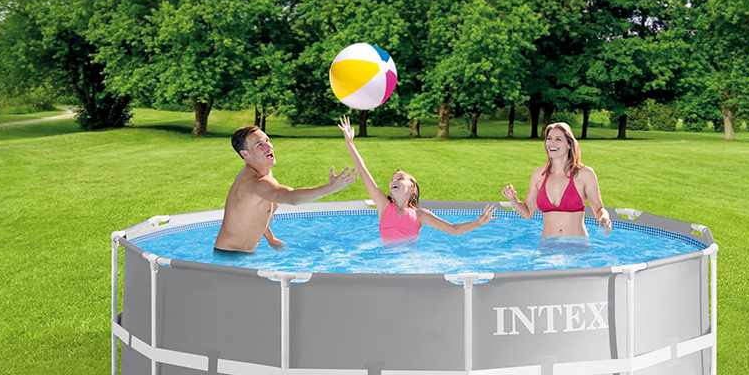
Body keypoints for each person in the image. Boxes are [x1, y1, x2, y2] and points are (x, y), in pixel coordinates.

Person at [338, 115, 497, 243]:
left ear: (412, 189)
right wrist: (349, 142)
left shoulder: (421, 215)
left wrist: (478, 222)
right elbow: (363, 170)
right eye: (393, 179)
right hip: (386, 263)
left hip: (409, 264)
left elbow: (454, 230)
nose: (394, 181)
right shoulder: (384, 206)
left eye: (400, 178)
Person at [213, 125, 356, 252]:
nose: (268, 146)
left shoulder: (264, 174)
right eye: (259, 144)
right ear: (245, 154)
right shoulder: (255, 182)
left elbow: (253, 213)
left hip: (240, 254)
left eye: (267, 140)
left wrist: (271, 238)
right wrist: (330, 188)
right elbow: (291, 197)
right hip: (229, 256)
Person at [501, 121, 612, 240]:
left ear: (569, 144)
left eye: (558, 139)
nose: (551, 143)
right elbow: (527, 213)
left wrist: (604, 216)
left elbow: (599, 209)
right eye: (549, 138)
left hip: (576, 245)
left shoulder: (585, 174)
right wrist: (512, 199)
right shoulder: (539, 175)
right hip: (547, 245)